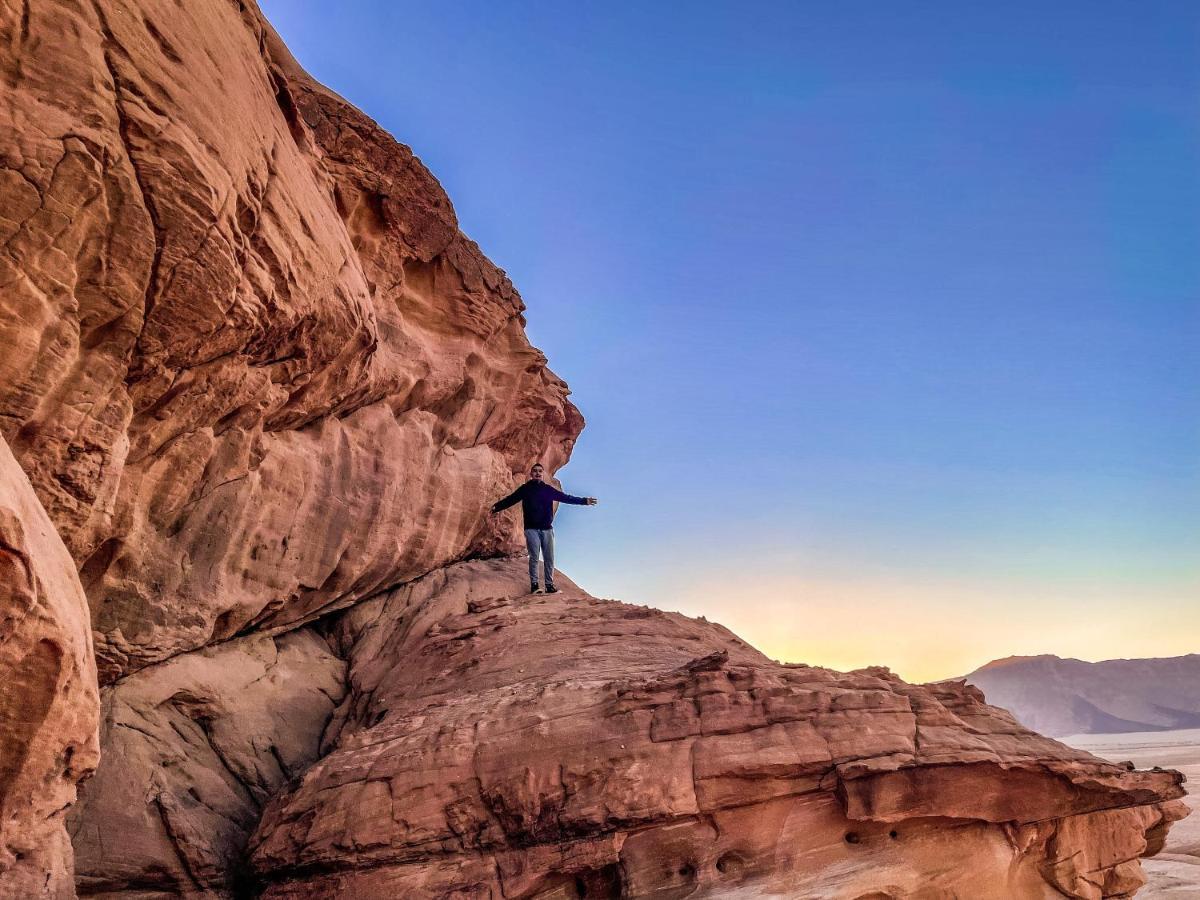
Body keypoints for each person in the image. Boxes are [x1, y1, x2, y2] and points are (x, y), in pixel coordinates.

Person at [490, 462, 597, 594]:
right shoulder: (525, 489)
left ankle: (549, 585)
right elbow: (511, 499)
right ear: (531, 474)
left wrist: (583, 501)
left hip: (547, 529)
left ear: (542, 474)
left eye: (540, 471)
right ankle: (535, 586)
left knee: (549, 558)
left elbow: (565, 498)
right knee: (534, 557)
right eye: (535, 471)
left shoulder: (548, 489)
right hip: (531, 529)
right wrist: (496, 507)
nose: (537, 473)